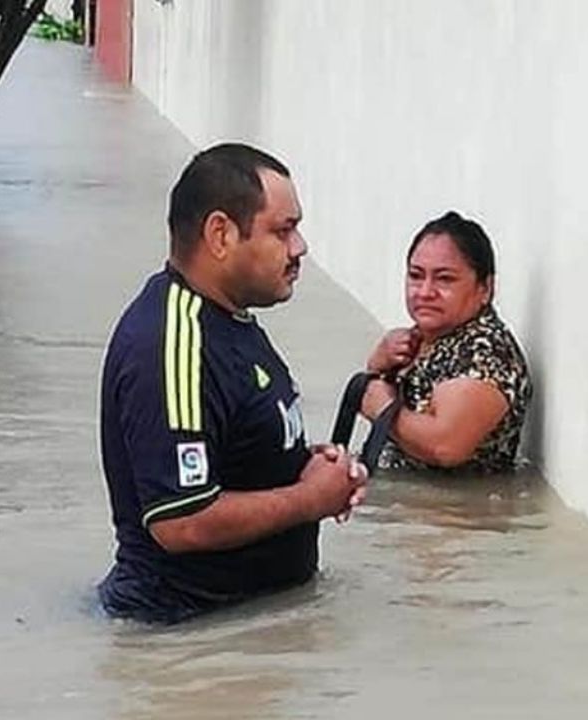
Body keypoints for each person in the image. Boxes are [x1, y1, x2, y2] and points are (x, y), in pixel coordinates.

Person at [97, 143, 367, 624]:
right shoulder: (170, 342)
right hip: (185, 637)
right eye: (283, 230)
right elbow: (180, 521)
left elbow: (229, 447)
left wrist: (312, 467)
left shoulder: (230, 318)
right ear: (220, 234)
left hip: (257, 624)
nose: (300, 247)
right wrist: (310, 499)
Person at [359, 211, 533, 474]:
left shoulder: (485, 353)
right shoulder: (425, 340)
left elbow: (445, 447)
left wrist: (382, 408)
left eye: (445, 279)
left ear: (485, 288)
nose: (425, 292)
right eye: (416, 276)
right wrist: (376, 367)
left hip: (446, 512)